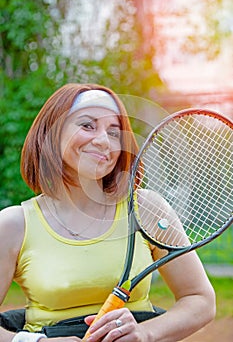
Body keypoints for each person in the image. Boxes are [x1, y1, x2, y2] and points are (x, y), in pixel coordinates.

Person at [0, 83, 216, 342]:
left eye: (114, 133)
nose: (103, 141)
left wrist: (145, 333)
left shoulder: (145, 209)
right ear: (52, 133)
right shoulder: (14, 224)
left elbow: (200, 299)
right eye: (87, 125)